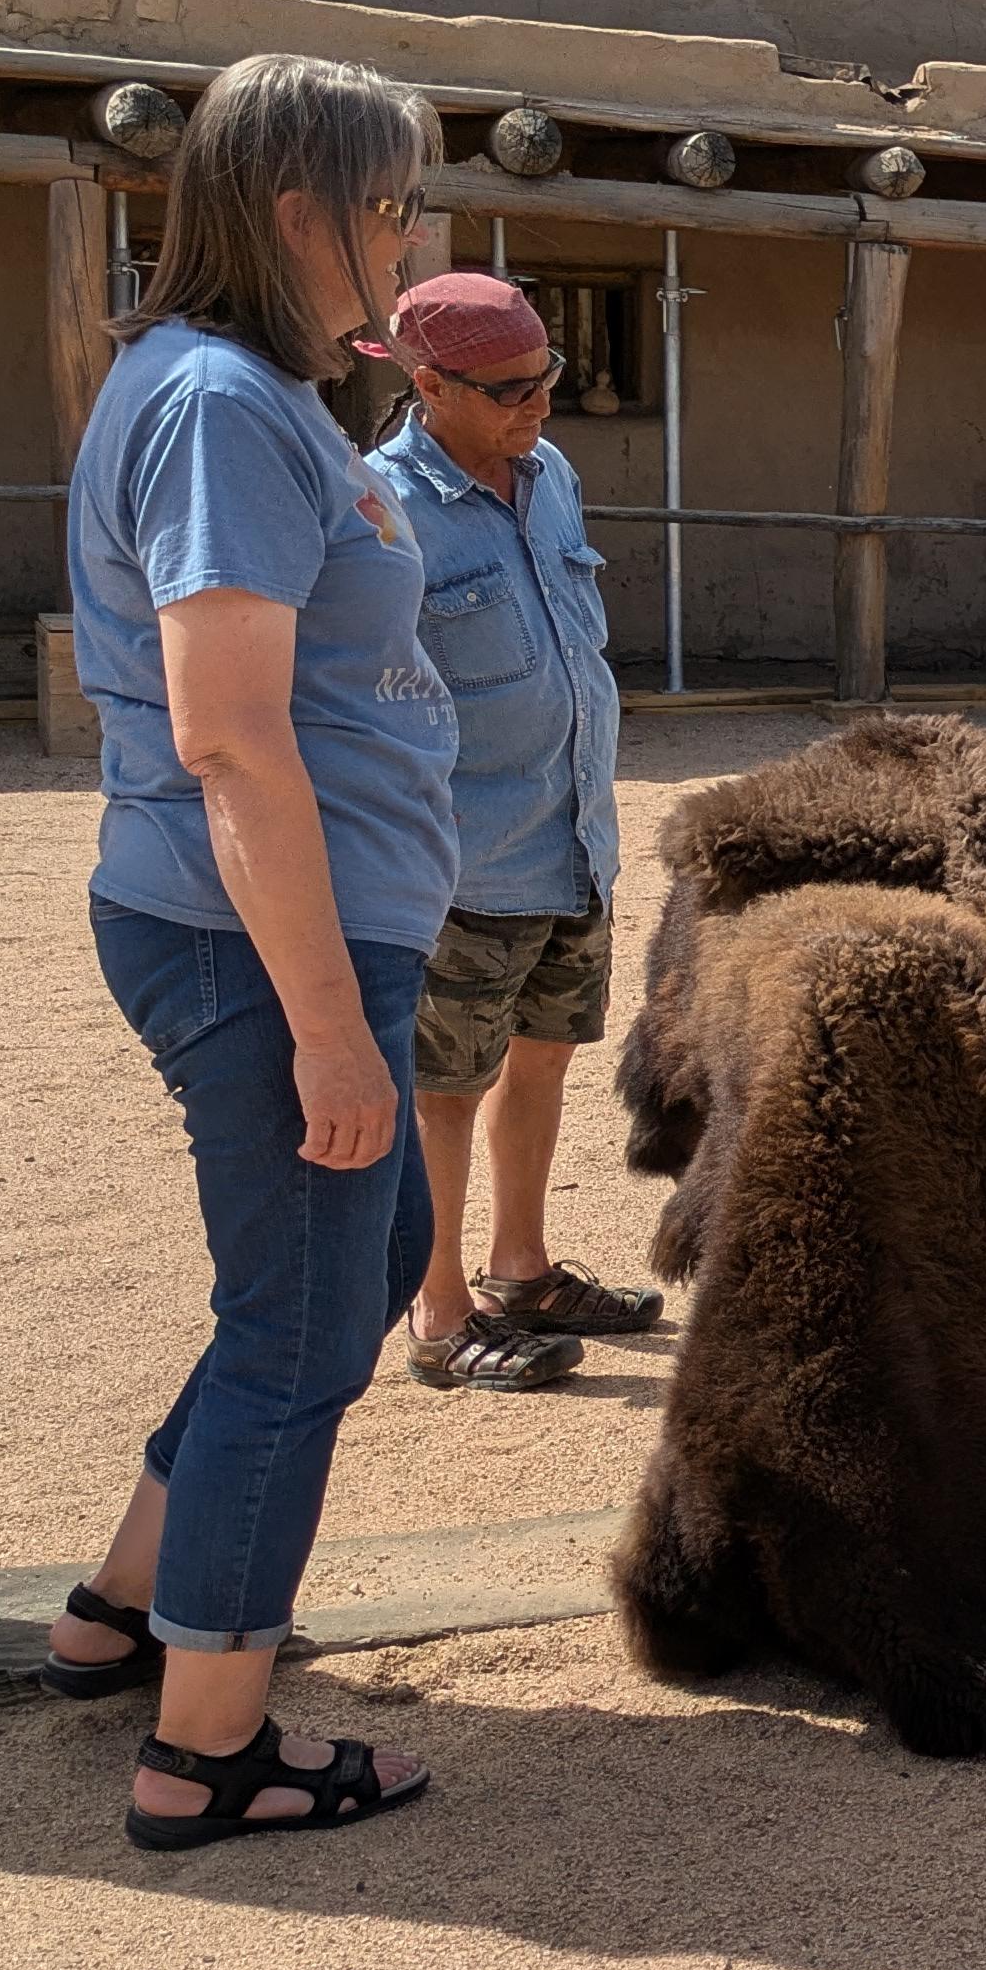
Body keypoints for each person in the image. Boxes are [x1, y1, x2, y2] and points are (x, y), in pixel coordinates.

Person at [39, 53, 458, 1849]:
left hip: (276, 924)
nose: (408, 241)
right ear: (298, 213)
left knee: (363, 1266)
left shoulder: (245, 390)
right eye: (390, 207)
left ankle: (128, 1604)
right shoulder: (218, 402)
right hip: (262, 938)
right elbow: (229, 735)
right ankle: (205, 1747)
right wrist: (328, 1029)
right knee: (299, 1331)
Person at [364, 269, 655, 1391]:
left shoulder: (551, 475)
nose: (539, 402)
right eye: (510, 388)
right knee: (445, 1091)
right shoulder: (383, 505)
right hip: (466, 863)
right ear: (429, 384)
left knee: (544, 1058)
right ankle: (439, 1314)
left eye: (548, 376)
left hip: (572, 841)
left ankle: (520, 1271)